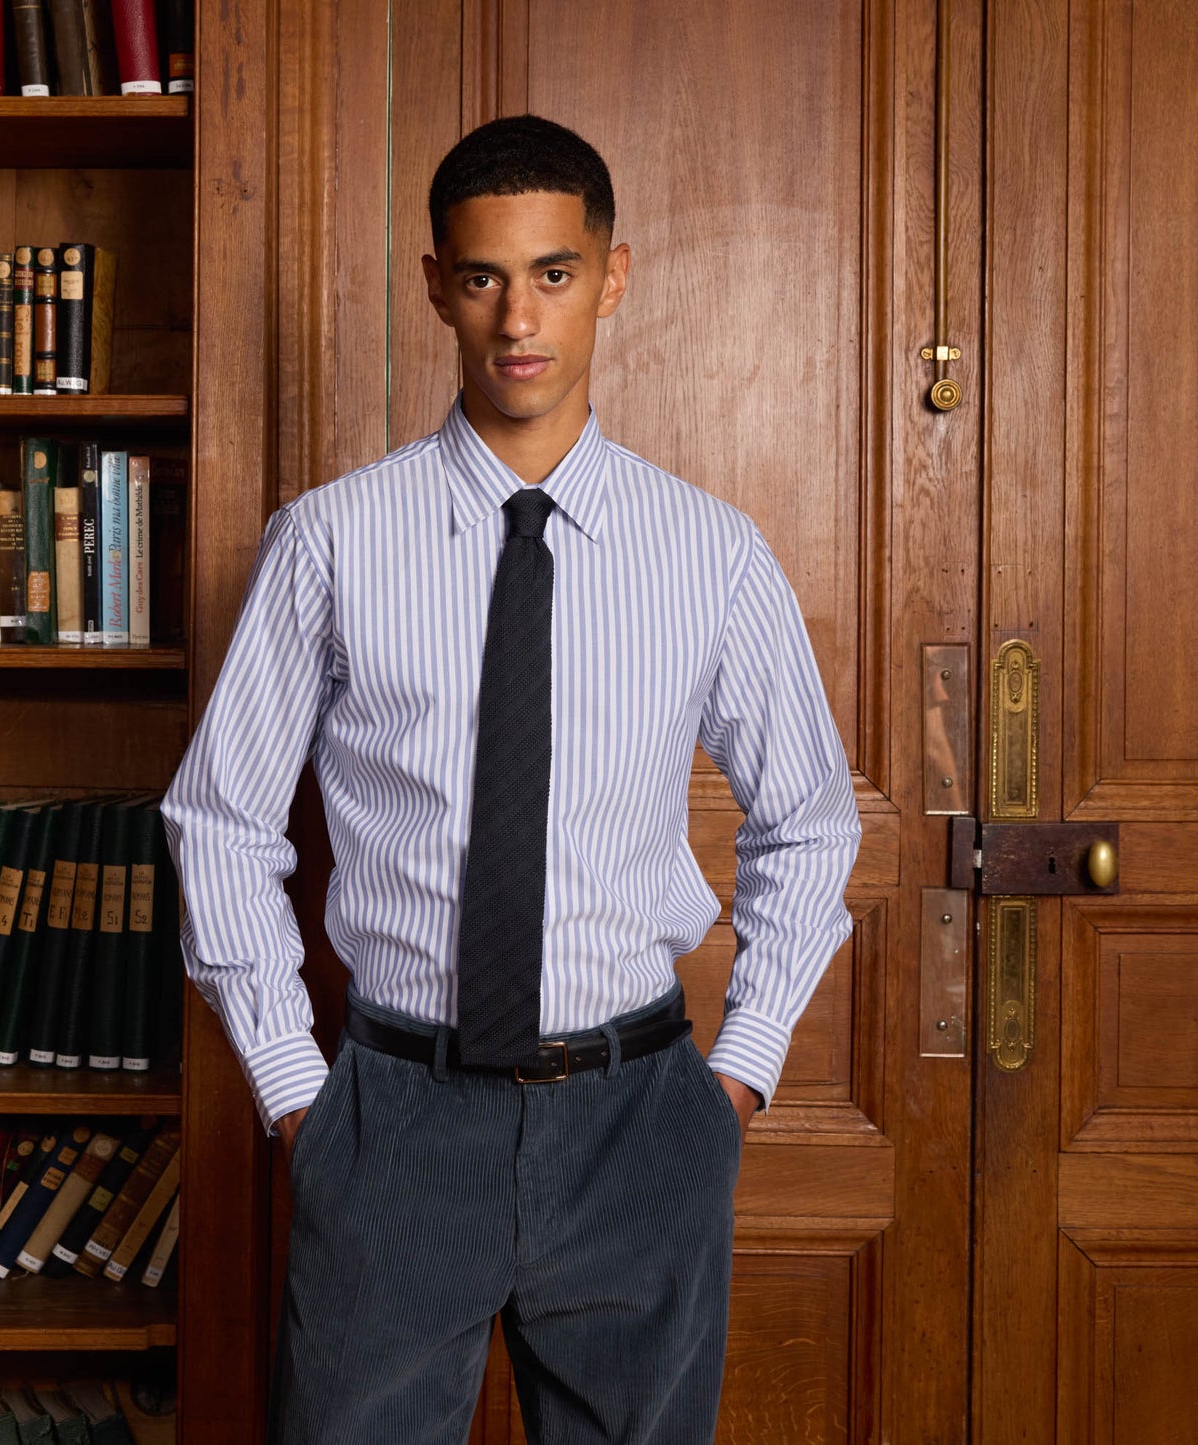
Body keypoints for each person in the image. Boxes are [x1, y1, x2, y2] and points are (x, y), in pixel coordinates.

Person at [162, 114, 860, 1444]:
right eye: (482, 277)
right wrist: (295, 1092)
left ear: (613, 276)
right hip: (393, 1121)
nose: (517, 317)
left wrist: (734, 1081)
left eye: (552, 272)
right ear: (435, 284)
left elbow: (811, 821)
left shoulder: (707, 553)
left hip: (639, 1121)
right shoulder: (331, 540)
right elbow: (221, 817)